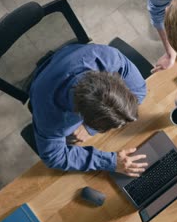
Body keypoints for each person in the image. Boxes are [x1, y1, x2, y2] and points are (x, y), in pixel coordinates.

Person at [30, 43, 148, 177]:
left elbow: (139, 91)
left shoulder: (109, 59)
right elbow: (54, 157)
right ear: (82, 117)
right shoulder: (51, 116)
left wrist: (90, 129)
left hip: (70, 56)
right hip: (43, 80)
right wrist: (111, 162)